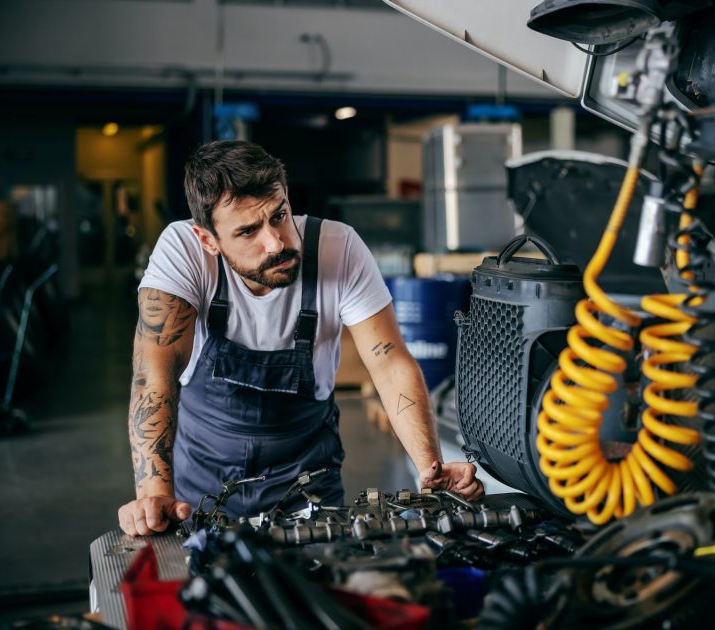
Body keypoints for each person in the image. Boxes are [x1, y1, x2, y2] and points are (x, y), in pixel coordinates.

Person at [117, 140, 482, 536]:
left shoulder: (339, 249)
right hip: (202, 484)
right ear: (209, 240)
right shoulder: (183, 250)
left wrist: (431, 466)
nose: (276, 242)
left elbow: (390, 361)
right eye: (248, 231)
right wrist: (154, 493)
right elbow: (155, 371)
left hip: (308, 483)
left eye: (279, 216)